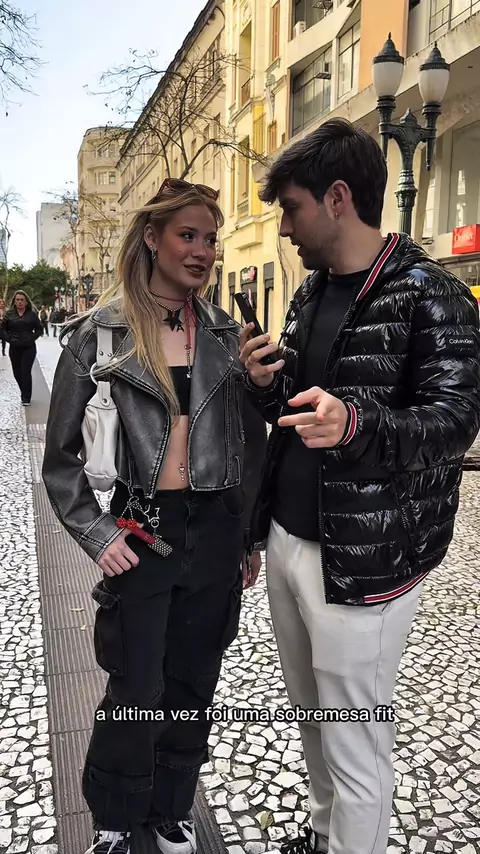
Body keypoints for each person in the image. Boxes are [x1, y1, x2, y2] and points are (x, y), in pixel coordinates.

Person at [240, 119, 480, 854]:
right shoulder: (311, 293)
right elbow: (301, 415)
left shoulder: (432, 295)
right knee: (313, 721)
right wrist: (267, 384)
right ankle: (323, 837)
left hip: (367, 564)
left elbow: (454, 423)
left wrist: (356, 422)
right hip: (289, 540)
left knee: (355, 746)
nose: (284, 229)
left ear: (338, 197)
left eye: (292, 208)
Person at [42, 179, 267, 854]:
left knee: (193, 682)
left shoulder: (226, 334)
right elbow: (60, 458)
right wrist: (96, 532)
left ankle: (171, 808)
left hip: (216, 531)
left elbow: (249, 444)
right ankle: (115, 815)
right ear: (152, 238)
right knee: (135, 684)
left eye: (210, 238)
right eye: (186, 235)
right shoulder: (100, 335)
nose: (202, 251)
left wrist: (248, 537)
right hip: (141, 528)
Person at [0, 290, 43, 405]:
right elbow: (2, 330)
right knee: (17, 373)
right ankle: (24, 391)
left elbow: (39, 329)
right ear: (14, 302)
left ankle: (26, 397)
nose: (19, 302)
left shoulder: (32, 315)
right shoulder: (9, 314)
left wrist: (31, 338)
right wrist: (9, 339)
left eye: (22, 300)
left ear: (26, 302)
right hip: (14, 347)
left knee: (25, 371)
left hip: (29, 347)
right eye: (17, 300)